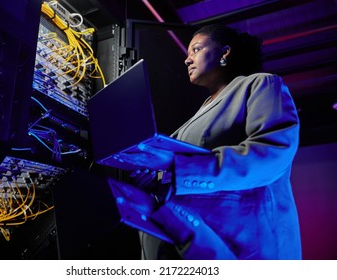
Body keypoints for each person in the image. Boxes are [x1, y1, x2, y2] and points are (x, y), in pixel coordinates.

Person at [115, 24, 302, 260]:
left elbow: (272, 154)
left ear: (224, 53)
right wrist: (156, 177)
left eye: (196, 49)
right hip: (192, 244)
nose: (187, 60)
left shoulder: (260, 84)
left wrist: (176, 165)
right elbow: (182, 175)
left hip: (243, 247)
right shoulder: (197, 114)